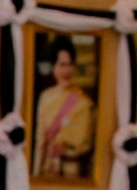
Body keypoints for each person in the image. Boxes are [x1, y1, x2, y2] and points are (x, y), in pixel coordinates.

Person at [33, 38, 96, 178]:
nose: (66, 70)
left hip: (71, 170)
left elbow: (86, 142)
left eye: (70, 65)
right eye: (62, 65)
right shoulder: (45, 97)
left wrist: (66, 147)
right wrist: (35, 172)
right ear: (53, 66)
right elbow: (40, 140)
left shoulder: (83, 102)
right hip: (47, 168)